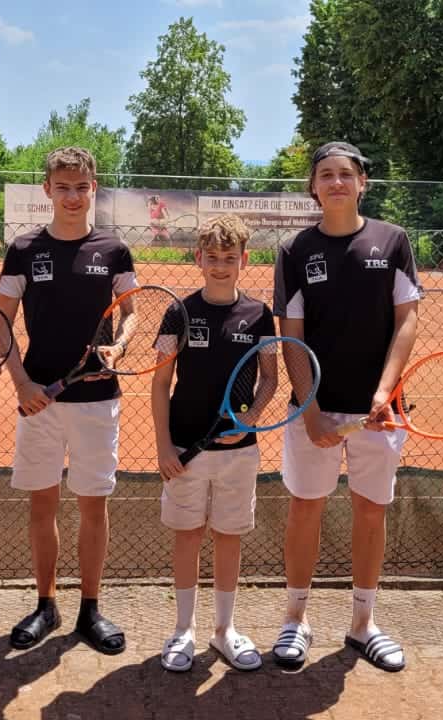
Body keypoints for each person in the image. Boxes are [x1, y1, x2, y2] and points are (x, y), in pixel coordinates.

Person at [270, 141, 421, 673]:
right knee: (305, 508)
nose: (336, 182)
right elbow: (291, 332)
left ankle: (362, 624)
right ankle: (295, 619)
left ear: (362, 183)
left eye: (346, 174)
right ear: (313, 187)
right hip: (315, 410)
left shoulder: (393, 240)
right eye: (326, 175)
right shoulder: (293, 249)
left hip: (380, 413)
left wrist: (383, 393)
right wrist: (310, 407)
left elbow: (407, 319)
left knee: (370, 511)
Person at [0, 146, 136, 655]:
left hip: (98, 398)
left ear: (93, 188)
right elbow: (0, 322)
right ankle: (46, 604)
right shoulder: (23, 249)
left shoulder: (114, 250)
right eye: (63, 187)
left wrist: (120, 346)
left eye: (81, 187)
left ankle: (90, 609)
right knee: (43, 504)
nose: (72, 196)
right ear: (47, 190)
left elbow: (131, 313)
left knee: (93, 505)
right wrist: (21, 384)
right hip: (39, 400)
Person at [151, 214, 277, 673]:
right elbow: (160, 383)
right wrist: (164, 447)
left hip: (238, 453)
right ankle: (183, 630)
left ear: (245, 260)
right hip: (186, 451)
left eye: (229, 257)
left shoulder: (260, 314)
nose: (220, 266)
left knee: (228, 537)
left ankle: (224, 630)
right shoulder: (178, 312)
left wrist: (251, 418)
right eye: (213, 257)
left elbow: (270, 379)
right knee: (188, 536)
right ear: (198, 258)